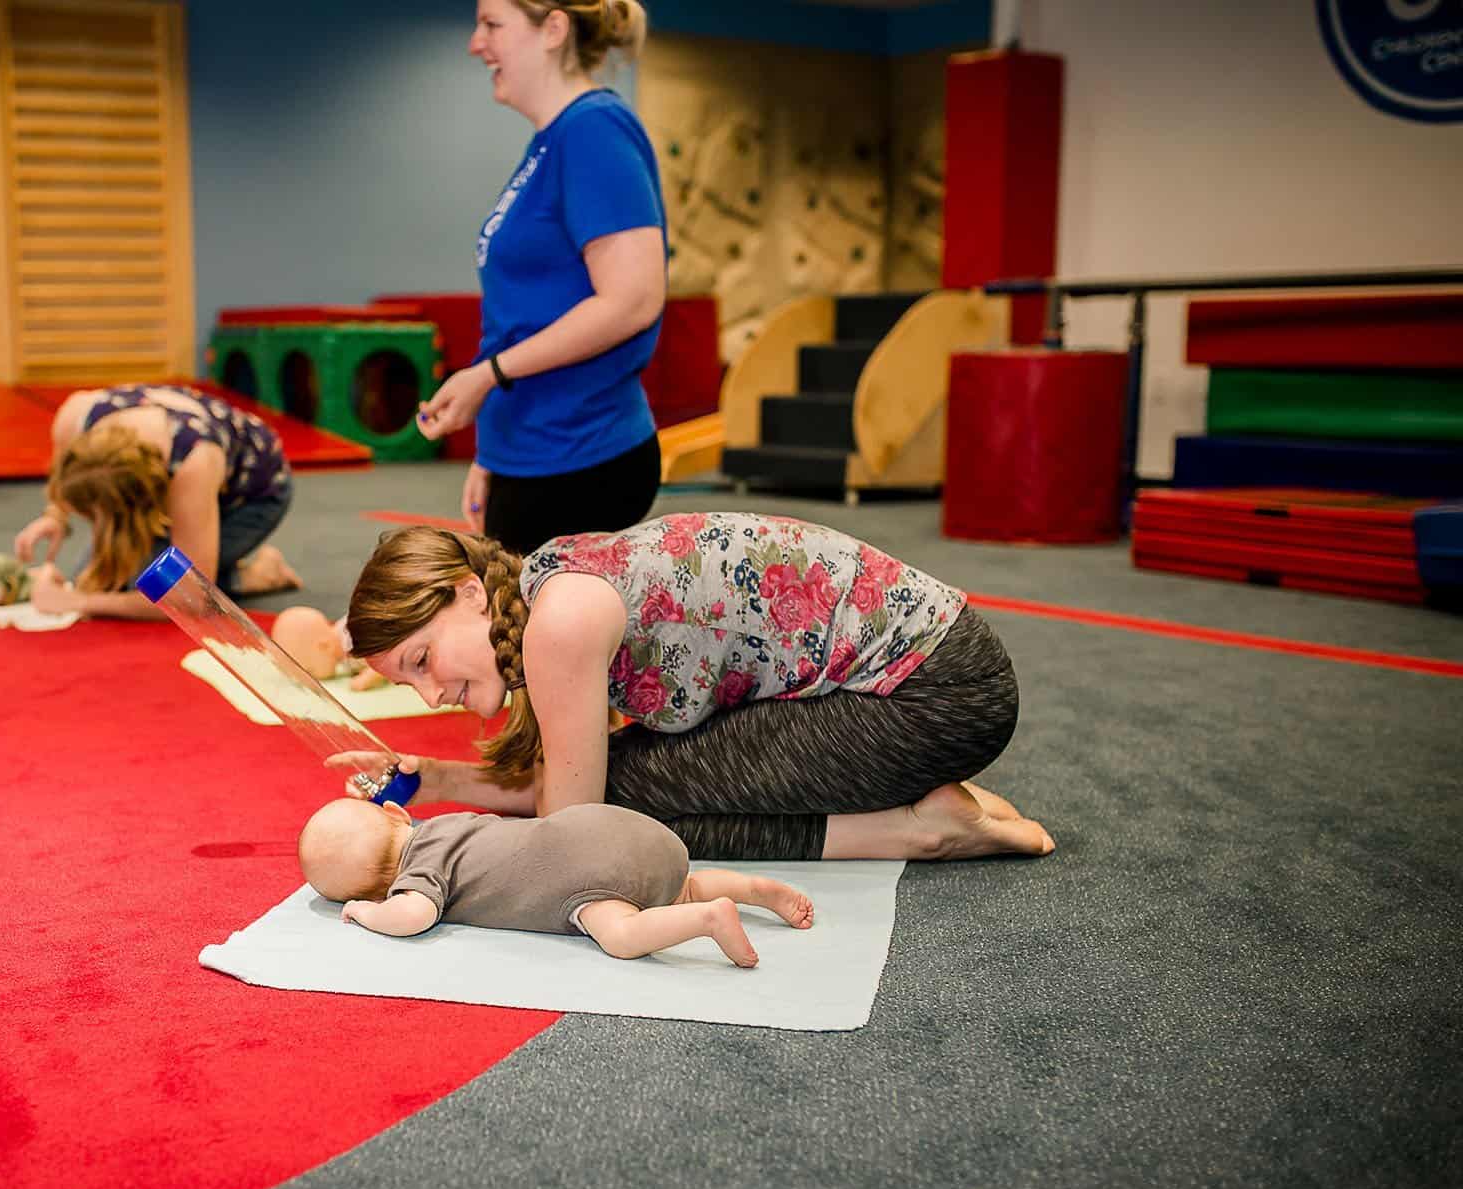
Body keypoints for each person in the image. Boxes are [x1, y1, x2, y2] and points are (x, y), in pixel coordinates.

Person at [338, 513, 1056, 863]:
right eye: (409, 681)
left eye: (421, 659)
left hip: (934, 694)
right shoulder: (548, 586)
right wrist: (433, 778)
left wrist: (437, 853)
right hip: (935, 675)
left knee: (624, 810)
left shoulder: (559, 625)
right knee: (634, 787)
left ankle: (914, 831)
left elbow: (574, 832)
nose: (430, 696)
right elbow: (572, 778)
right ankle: (917, 818)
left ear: (469, 594)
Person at [416, 0, 667, 555]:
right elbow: (525, 312)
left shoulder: (594, 129)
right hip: (529, 449)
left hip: (579, 452)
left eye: (491, 25)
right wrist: (493, 449)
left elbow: (633, 298)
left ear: (553, 29)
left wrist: (486, 376)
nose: (475, 44)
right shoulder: (551, 141)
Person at [300, 797, 813, 968]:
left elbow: (414, 916)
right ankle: (751, 890)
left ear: (373, 889)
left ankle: (706, 919)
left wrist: (365, 914)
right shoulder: (446, 825)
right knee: (684, 883)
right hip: (609, 825)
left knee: (620, 934)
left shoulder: (416, 877)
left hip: (585, 875)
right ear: (396, 813)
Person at [13, 383, 302, 619]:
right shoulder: (74, 419)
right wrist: (55, 517)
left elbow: (192, 598)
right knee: (103, 579)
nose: (92, 524)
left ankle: (259, 575)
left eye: (98, 518)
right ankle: (230, 570)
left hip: (253, 495)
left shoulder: (193, 463)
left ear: (131, 509)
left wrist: (78, 601)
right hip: (172, 478)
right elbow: (69, 483)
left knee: (147, 584)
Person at [270, 606, 386, 690]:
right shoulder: (341, 652)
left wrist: (369, 677)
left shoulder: (354, 639)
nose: (314, 678)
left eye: (311, 671)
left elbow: (387, 654)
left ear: (325, 647)